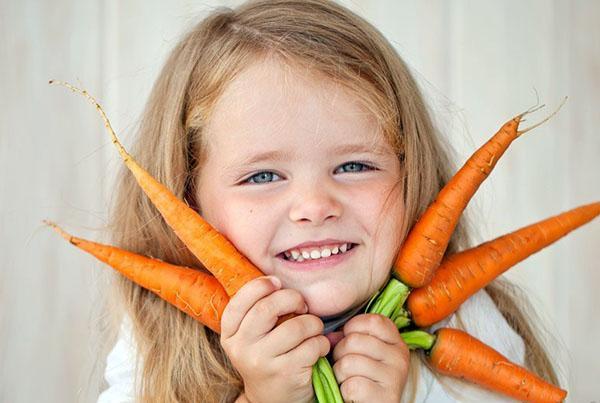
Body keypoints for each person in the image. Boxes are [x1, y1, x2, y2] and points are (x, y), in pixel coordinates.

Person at [97, 1, 562, 402]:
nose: (315, 206)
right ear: (189, 202)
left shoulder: (471, 323)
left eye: (355, 166)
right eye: (262, 175)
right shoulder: (155, 342)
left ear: (412, 175)